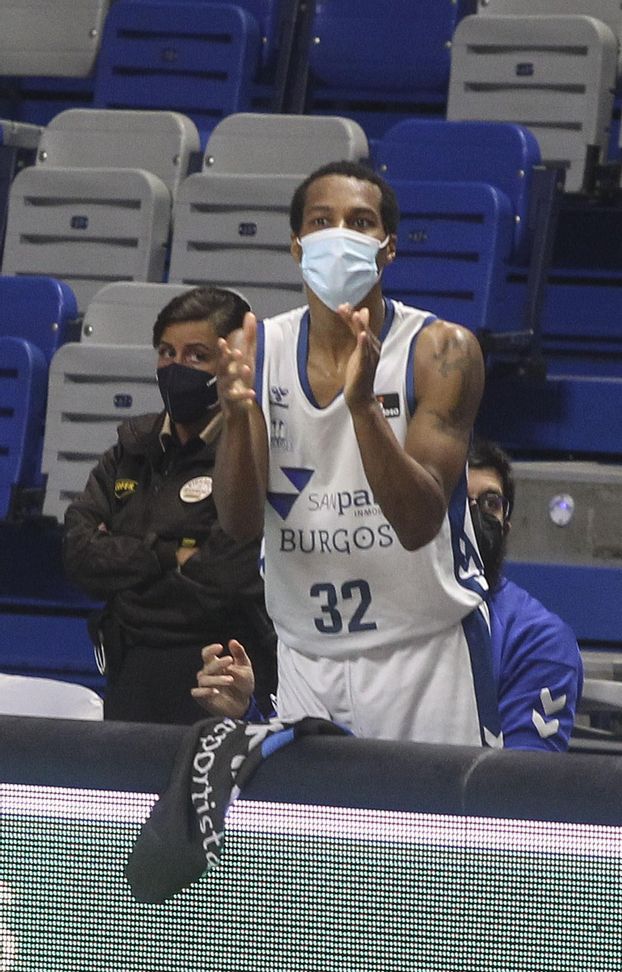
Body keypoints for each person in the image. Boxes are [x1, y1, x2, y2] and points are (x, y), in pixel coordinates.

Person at [208, 160, 495, 744]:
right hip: (305, 656)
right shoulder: (258, 348)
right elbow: (239, 525)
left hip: (425, 655)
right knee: (305, 811)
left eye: (360, 222)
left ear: (388, 247)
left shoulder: (442, 352)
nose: (339, 234)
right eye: (322, 221)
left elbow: (418, 523)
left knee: (438, 811)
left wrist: (363, 407)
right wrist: (237, 419)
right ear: (296, 245)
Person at [195, 440, 584, 752]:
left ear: (507, 525)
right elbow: (308, 756)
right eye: (458, 497)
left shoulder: (539, 638)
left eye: (489, 503)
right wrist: (247, 714)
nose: (472, 514)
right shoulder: (369, 611)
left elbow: (521, 786)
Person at [61, 286, 275, 724]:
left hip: (223, 675)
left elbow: (228, 577)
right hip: (131, 673)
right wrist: (168, 555)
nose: (177, 367)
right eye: (167, 352)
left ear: (232, 362)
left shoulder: (253, 453)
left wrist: (126, 575)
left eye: (197, 355)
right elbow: (79, 551)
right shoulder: (132, 447)